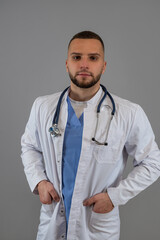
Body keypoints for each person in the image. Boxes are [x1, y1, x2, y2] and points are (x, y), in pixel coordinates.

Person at [21, 31, 160, 240]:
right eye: (77, 57)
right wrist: (39, 181)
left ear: (103, 65)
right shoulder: (43, 107)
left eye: (93, 58)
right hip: (52, 222)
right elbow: (30, 146)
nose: (84, 64)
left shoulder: (128, 113)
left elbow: (152, 162)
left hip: (97, 225)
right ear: (67, 63)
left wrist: (114, 197)